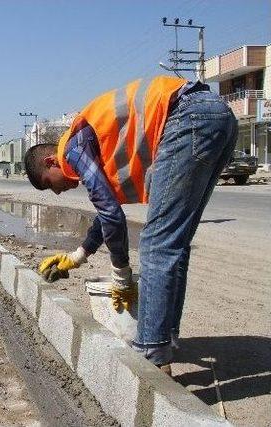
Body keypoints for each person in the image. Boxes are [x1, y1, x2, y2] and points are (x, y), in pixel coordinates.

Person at [23, 76, 237, 373]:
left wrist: (121, 274)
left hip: (188, 116)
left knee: (156, 243)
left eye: (50, 185)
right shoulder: (92, 144)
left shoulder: (74, 148)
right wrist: (78, 256)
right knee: (174, 242)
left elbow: (111, 214)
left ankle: (151, 356)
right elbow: (107, 210)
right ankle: (163, 339)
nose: (57, 191)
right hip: (218, 117)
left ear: (50, 162)